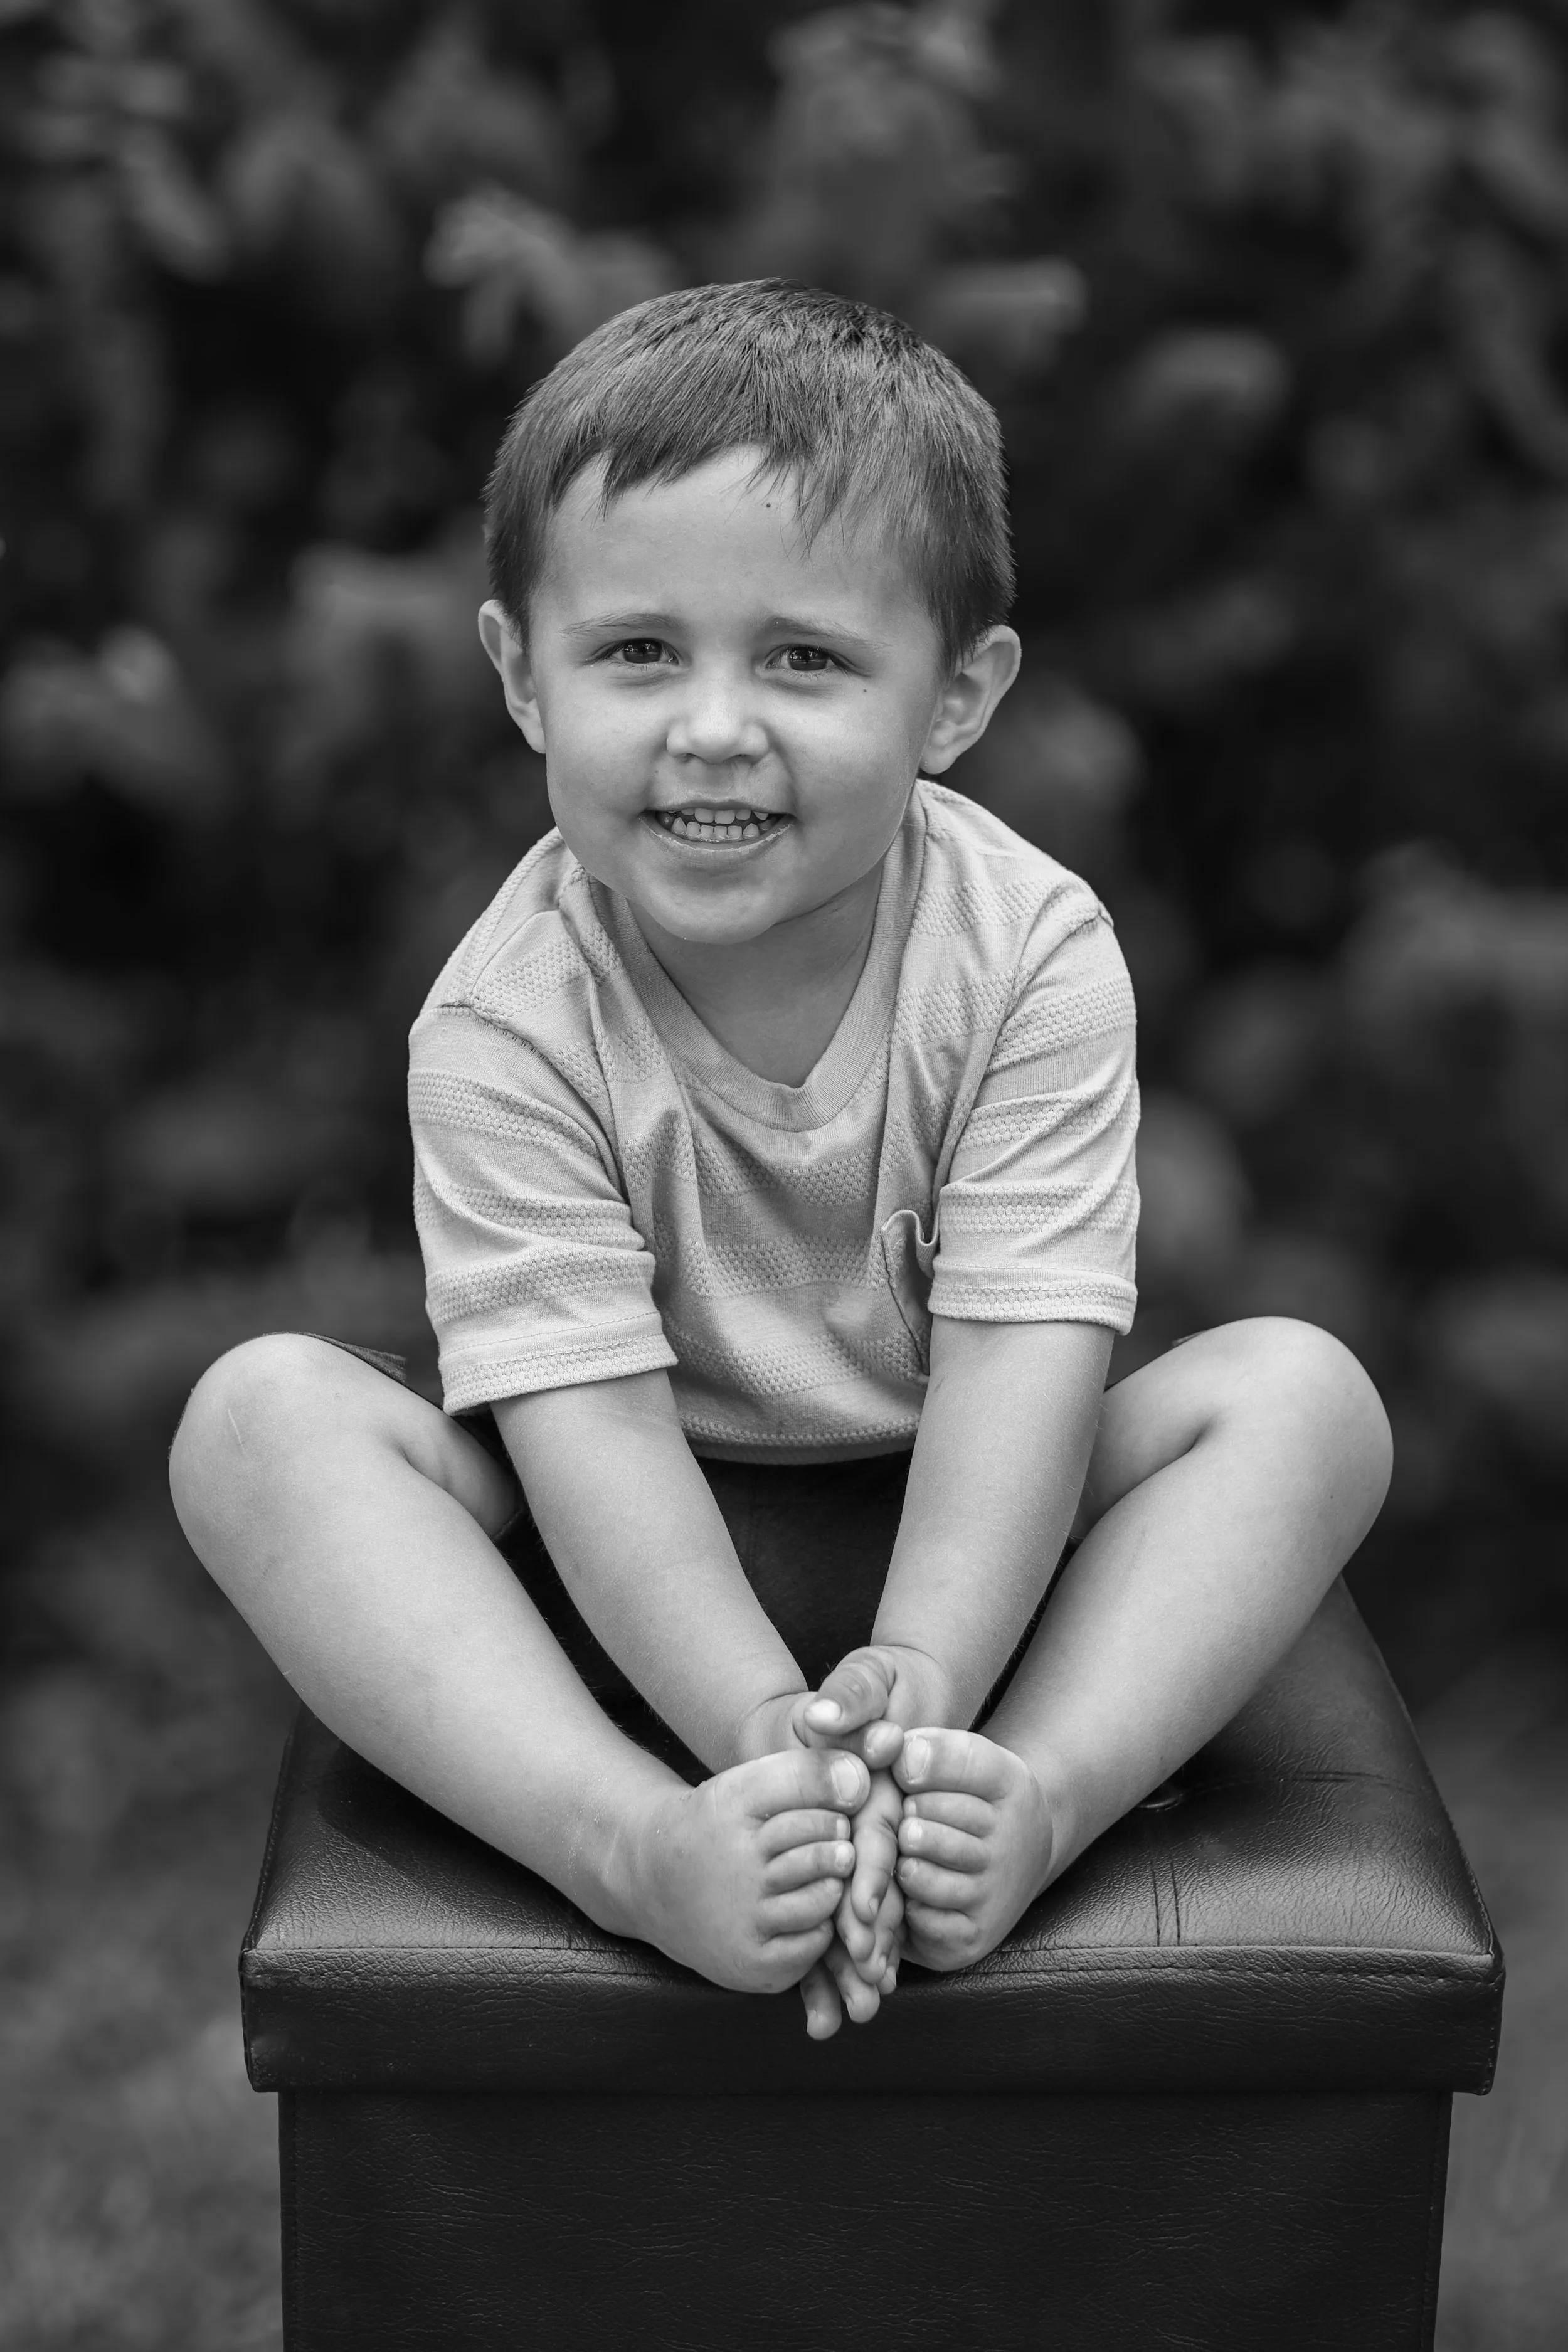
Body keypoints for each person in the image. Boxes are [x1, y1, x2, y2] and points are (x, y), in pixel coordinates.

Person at [169, 281, 1392, 2041]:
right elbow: (580, 1423)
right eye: (638, 651)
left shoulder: (1027, 950)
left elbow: (1025, 1361)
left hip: (972, 1521)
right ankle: (624, 1840)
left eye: (803, 658)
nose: (714, 723)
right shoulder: (510, 1018)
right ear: (524, 675)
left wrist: (915, 1698)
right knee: (259, 1419)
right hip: (614, 1557)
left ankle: (1022, 1798)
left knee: (1300, 1395)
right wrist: (752, 1735)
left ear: (954, 697)